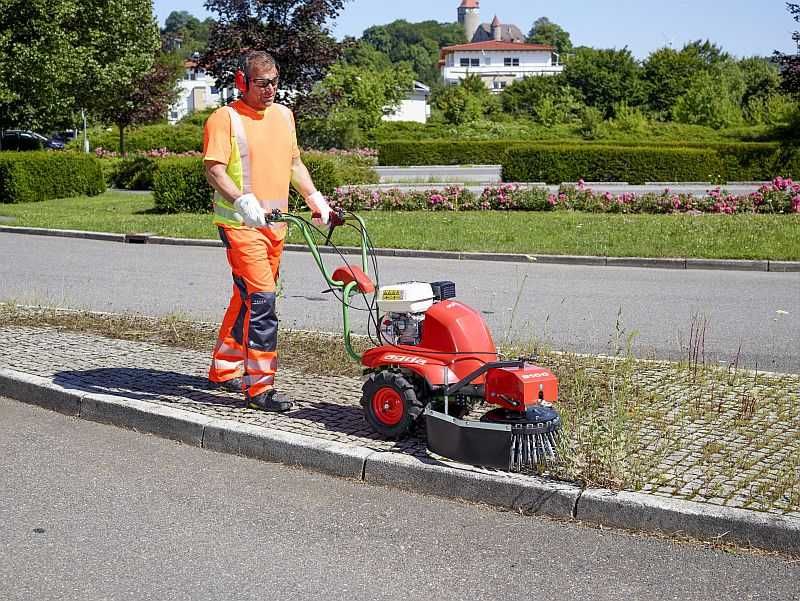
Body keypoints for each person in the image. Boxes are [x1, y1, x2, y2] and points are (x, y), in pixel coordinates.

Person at [203, 50, 330, 412]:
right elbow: (214, 169)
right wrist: (242, 200)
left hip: (276, 226)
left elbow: (293, 163)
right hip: (240, 225)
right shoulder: (224, 119)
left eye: (274, 82)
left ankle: (224, 368)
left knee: (246, 298)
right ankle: (259, 388)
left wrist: (314, 198)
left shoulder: (284, 116)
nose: (270, 89)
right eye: (261, 83)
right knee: (263, 301)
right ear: (242, 82)